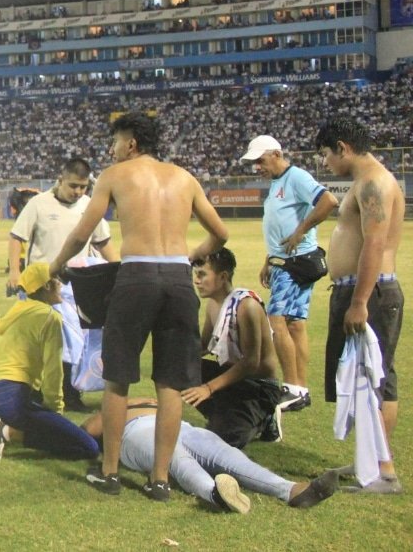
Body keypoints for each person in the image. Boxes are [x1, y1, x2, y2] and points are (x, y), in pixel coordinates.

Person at [52, 112, 228, 501]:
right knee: (170, 384)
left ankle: (110, 473)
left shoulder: (116, 175)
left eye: (115, 142)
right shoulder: (185, 178)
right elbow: (221, 232)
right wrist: (193, 255)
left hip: (136, 277)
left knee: (118, 378)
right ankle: (160, 480)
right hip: (179, 281)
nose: (112, 150)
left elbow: (83, 233)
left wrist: (53, 266)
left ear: (130, 143)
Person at [315, 116, 405, 493]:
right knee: (365, 378)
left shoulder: (373, 183)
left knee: (374, 380)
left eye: (325, 154)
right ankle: (369, 461)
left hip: (372, 294)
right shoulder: (365, 181)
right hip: (358, 290)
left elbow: (374, 244)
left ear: (343, 147)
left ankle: (383, 472)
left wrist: (360, 301)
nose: (324, 163)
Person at [82, 398, 340, 513]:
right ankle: (215, 494)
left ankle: (291, 489)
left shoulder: (130, 400)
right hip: (136, 432)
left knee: (229, 456)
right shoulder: (119, 407)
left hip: (182, 427)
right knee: (177, 459)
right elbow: (87, 434)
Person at [7, 158, 119, 411]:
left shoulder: (90, 205)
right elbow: (16, 238)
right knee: (41, 342)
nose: (78, 192)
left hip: (80, 285)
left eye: (83, 187)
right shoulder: (38, 204)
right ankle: (32, 392)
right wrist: (15, 271)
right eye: (73, 186)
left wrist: (120, 270)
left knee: (77, 343)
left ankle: (70, 395)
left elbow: (102, 242)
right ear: (60, 180)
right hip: (43, 286)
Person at [240, 135, 338, 412]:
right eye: (254, 163)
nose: (257, 167)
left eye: (260, 160)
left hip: (295, 262)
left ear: (277, 154)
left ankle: (292, 387)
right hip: (286, 260)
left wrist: (301, 231)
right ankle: (300, 389)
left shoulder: (295, 177)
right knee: (295, 324)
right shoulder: (277, 183)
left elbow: (328, 201)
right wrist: (268, 259)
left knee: (276, 321)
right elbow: (278, 227)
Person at [0, 262, 100, 461]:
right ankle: (7, 432)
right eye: (56, 281)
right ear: (46, 286)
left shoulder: (19, 308)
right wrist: (57, 410)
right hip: (14, 399)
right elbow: (54, 373)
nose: (61, 285)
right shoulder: (49, 317)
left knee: (49, 425)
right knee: (88, 447)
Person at [180, 249, 283, 447]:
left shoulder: (247, 306)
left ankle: (264, 418)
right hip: (233, 378)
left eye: (202, 275)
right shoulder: (213, 303)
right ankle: (224, 415)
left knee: (228, 438)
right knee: (178, 365)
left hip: (258, 386)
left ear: (223, 276)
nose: (196, 281)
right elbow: (203, 346)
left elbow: (251, 363)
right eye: (196, 275)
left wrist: (208, 388)